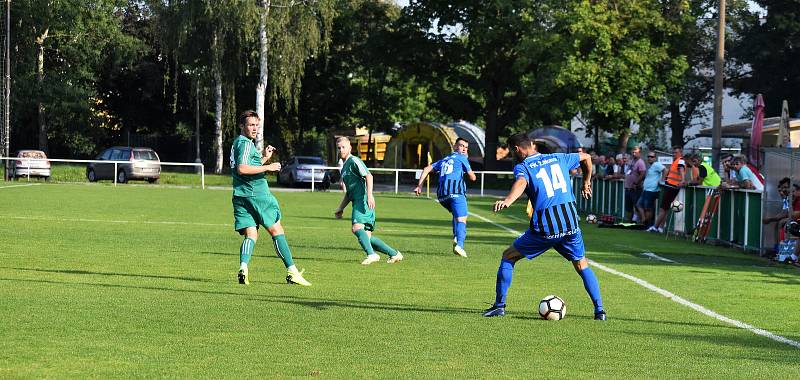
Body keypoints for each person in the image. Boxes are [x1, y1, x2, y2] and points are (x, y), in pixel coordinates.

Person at [482, 134, 606, 321]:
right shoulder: (558, 157)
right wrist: (587, 181)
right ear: (532, 144)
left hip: (547, 227)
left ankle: (499, 306)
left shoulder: (522, 167)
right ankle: (600, 311)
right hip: (570, 223)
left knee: (508, 256)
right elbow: (586, 157)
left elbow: (522, 182)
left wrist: (508, 200)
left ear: (516, 149)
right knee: (581, 264)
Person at [230, 110, 311, 286]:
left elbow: (249, 165)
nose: (255, 129)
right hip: (257, 195)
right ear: (242, 126)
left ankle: (243, 268)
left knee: (251, 234)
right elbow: (242, 169)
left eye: (257, 125)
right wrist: (269, 167)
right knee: (277, 231)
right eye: (251, 125)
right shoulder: (244, 143)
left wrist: (265, 158)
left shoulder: (240, 143)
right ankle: (292, 272)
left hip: (241, 195)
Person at [333, 137, 403, 265]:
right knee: (366, 237)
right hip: (358, 201)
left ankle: (372, 255)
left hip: (363, 201)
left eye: (344, 147)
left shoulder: (354, 161)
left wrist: (370, 195)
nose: (341, 150)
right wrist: (341, 207)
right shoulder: (344, 168)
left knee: (356, 228)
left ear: (350, 148)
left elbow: (369, 175)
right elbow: (349, 193)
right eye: (339, 148)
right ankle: (394, 254)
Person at [413, 138, 477, 257]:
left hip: (442, 196)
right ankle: (460, 245)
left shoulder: (444, 160)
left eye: (466, 147)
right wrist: (467, 163)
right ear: (455, 146)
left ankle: (456, 237)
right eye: (462, 146)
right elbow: (472, 177)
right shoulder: (462, 158)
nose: (464, 149)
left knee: (456, 214)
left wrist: (419, 186)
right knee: (462, 219)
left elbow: (426, 169)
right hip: (456, 193)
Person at [649, 146, 686, 233]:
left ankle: (655, 227)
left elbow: (681, 170)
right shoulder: (676, 161)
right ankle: (661, 228)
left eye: (676, 152)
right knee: (665, 209)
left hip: (672, 187)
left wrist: (683, 180)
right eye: (673, 152)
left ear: (680, 153)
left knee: (662, 209)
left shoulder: (680, 160)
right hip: (671, 186)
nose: (674, 154)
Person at [763, 178, 800, 244]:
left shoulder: (793, 199)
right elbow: (785, 213)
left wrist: (769, 219)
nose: (782, 191)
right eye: (781, 190)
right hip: (796, 219)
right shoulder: (790, 198)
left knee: (784, 223)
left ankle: (783, 246)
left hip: (797, 220)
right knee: (782, 223)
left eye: (785, 188)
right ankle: (781, 247)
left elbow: (792, 215)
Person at [637, 151, 664, 228]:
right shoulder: (651, 166)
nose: (649, 158)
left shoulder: (656, 164)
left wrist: (662, 180)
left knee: (648, 208)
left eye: (651, 157)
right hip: (646, 189)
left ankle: (647, 225)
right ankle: (644, 220)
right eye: (648, 156)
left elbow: (665, 170)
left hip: (652, 190)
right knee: (639, 205)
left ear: (655, 158)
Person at [624, 148, 646, 222]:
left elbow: (643, 174)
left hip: (635, 189)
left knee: (637, 206)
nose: (634, 154)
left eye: (636, 152)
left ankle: (640, 223)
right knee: (628, 207)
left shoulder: (640, 162)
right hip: (628, 188)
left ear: (639, 153)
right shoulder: (631, 161)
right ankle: (629, 222)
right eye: (633, 152)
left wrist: (636, 183)